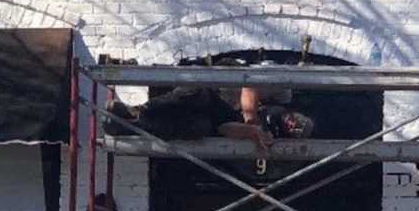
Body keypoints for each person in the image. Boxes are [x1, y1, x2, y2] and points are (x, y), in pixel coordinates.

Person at [103, 87, 314, 149]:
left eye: (295, 129)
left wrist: (252, 131)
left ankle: (131, 127)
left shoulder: (268, 137)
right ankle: (138, 111)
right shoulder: (282, 96)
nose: (293, 123)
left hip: (217, 122)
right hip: (217, 98)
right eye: (299, 121)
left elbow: (224, 129)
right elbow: (250, 86)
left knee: (197, 128)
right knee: (198, 94)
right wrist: (251, 119)